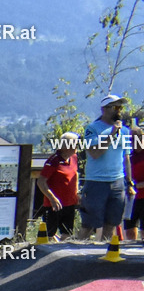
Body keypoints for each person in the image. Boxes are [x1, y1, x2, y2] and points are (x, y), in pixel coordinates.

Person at [78, 94, 134, 241]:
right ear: (104, 109)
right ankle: (75, 254)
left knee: (111, 223)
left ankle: (104, 253)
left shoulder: (125, 131)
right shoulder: (92, 128)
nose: (119, 110)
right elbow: (95, 153)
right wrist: (111, 134)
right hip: (96, 182)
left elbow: (126, 157)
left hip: (117, 182)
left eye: (120, 107)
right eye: (116, 107)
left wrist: (129, 182)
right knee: (89, 223)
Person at [36, 132, 80, 241]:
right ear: (65, 146)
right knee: (49, 234)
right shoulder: (53, 161)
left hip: (70, 203)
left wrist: (77, 193)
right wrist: (52, 198)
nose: (77, 147)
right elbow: (41, 182)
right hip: (54, 205)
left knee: (67, 232)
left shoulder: (74, 158)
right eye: (75, 144)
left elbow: (75, 174)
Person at [124, 127, 144, 241]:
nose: (134, 141)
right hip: (131, 199)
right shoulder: (129, 156)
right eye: (131, 139)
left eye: (137, 138)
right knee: (130, 231)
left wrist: (136, 186)